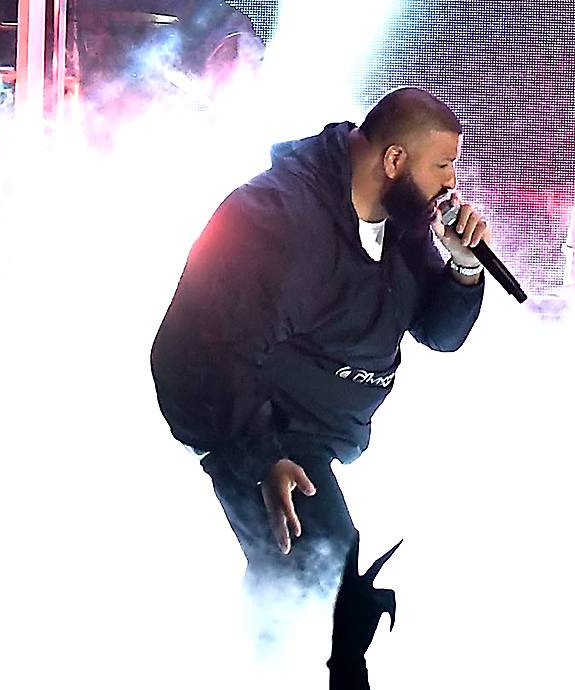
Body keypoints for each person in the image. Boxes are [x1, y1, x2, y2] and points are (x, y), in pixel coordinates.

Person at [151, 87, 490, 610]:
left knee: (301, 586)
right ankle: (268, 678)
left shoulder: (405, 224)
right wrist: (264, 458)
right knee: (322, 575)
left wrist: (464, 267)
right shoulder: (277, 215)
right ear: (394, 160)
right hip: (256, 427)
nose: (452, 184)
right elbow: (199, 353)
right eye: (443, 166)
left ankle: (263, 671)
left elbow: (440, 335)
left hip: (319, 434)